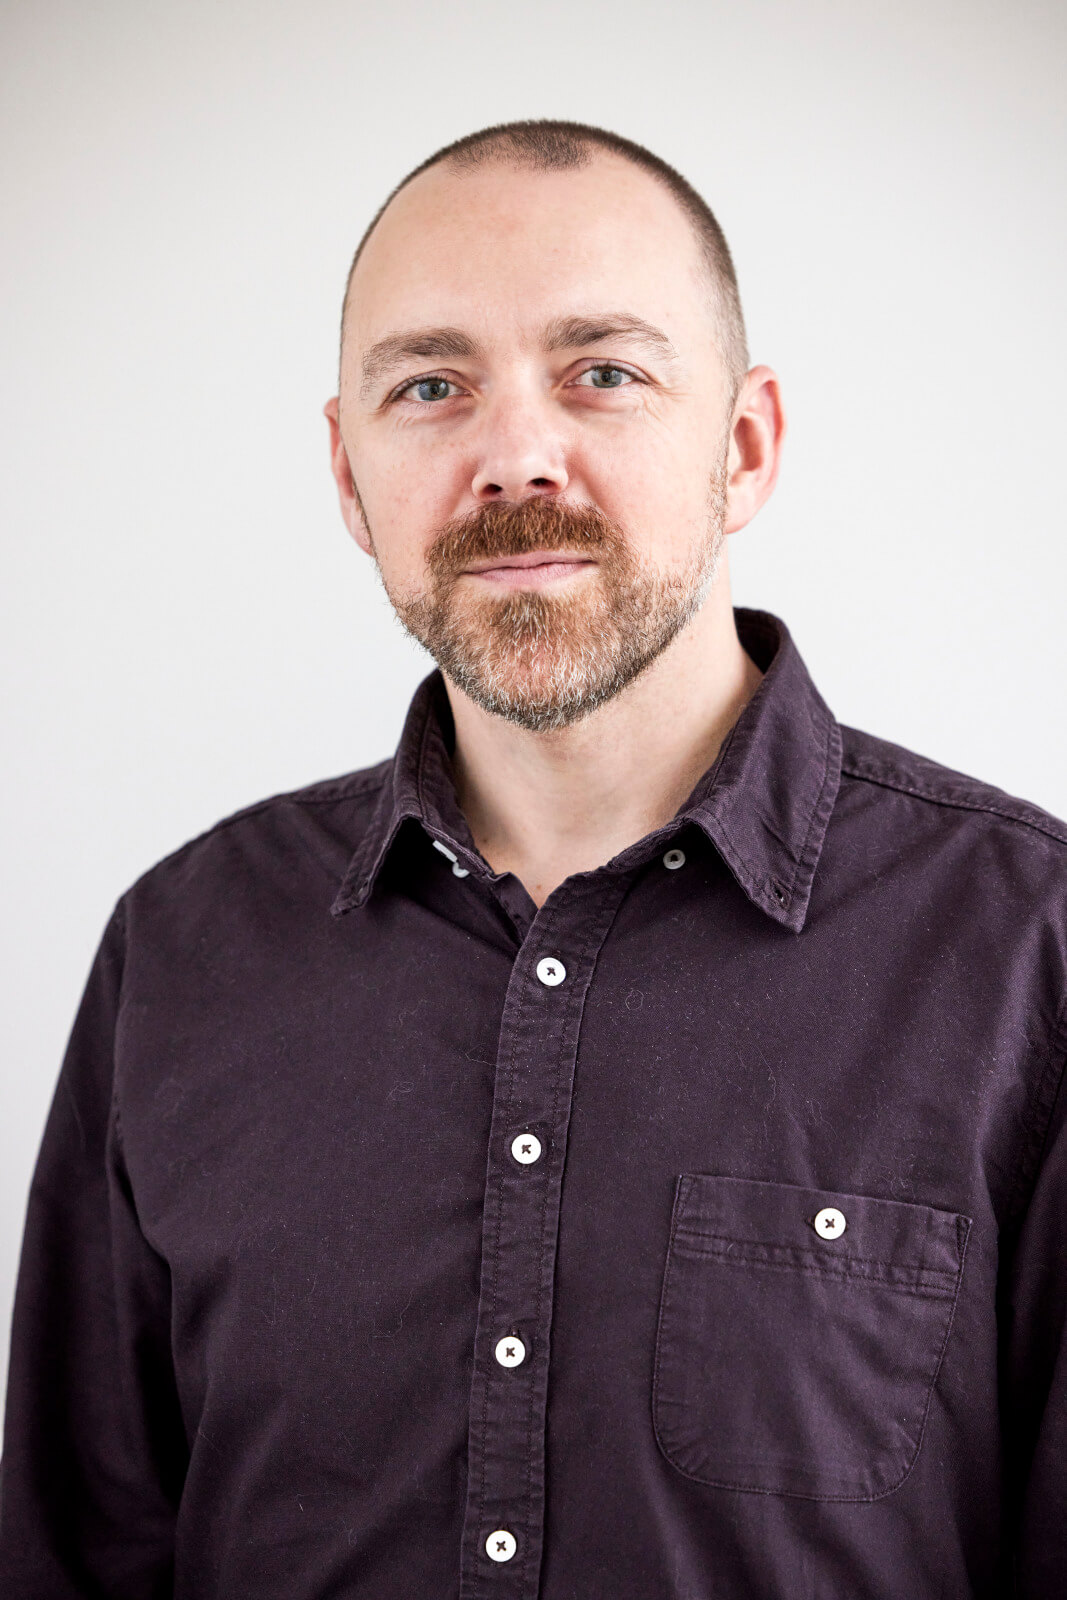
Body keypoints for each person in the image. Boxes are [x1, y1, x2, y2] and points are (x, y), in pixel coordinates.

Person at [1, 117, 1064, 1599]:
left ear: (744, 446)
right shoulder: (179, 952)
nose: (513, 458)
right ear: (349, 473)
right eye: (430, 386)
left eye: (603, 373)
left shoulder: (1028, 954)